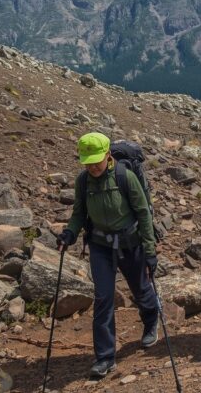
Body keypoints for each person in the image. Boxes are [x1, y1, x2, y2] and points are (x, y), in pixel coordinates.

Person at [59, 132, 160, 379]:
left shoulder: (125, 177)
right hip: (100, 246)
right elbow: (79, 213)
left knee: (141, 289)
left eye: (96, 160)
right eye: (87, 161)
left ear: (107, 155)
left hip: (130, 243)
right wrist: (70, 232)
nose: (92, 166)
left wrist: (149, 251)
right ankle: (104, 357)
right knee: (103, 298)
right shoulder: (83, 181)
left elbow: (143, 214)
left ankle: (151, 320)